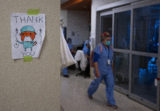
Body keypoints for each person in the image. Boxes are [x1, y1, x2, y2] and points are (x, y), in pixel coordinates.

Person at [87, 32, 118, 109]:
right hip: (100, 69)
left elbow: (111, 59)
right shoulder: (99, 47)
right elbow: (95, 60)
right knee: (96, 84)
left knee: (110, 85)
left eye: (110, 40)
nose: (109, 41)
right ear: (103, 40)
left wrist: (112, 69)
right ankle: (90, 92)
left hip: (108, 70)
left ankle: (111, 102)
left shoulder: (111, 48)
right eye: (107, 40)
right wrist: (97, 71)